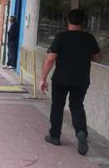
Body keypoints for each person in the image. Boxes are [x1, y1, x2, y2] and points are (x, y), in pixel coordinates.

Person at [39, 9, 101, 155]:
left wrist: (43, 78)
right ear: (83, 22)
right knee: (77, 106)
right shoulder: (89, 38)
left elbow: (50, 58)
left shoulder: (61, 37)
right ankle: (81, 132)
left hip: (61, 78)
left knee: (57, 106)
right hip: (81, 79)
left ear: (68, 21)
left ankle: (54, 136)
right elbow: (98, 58)